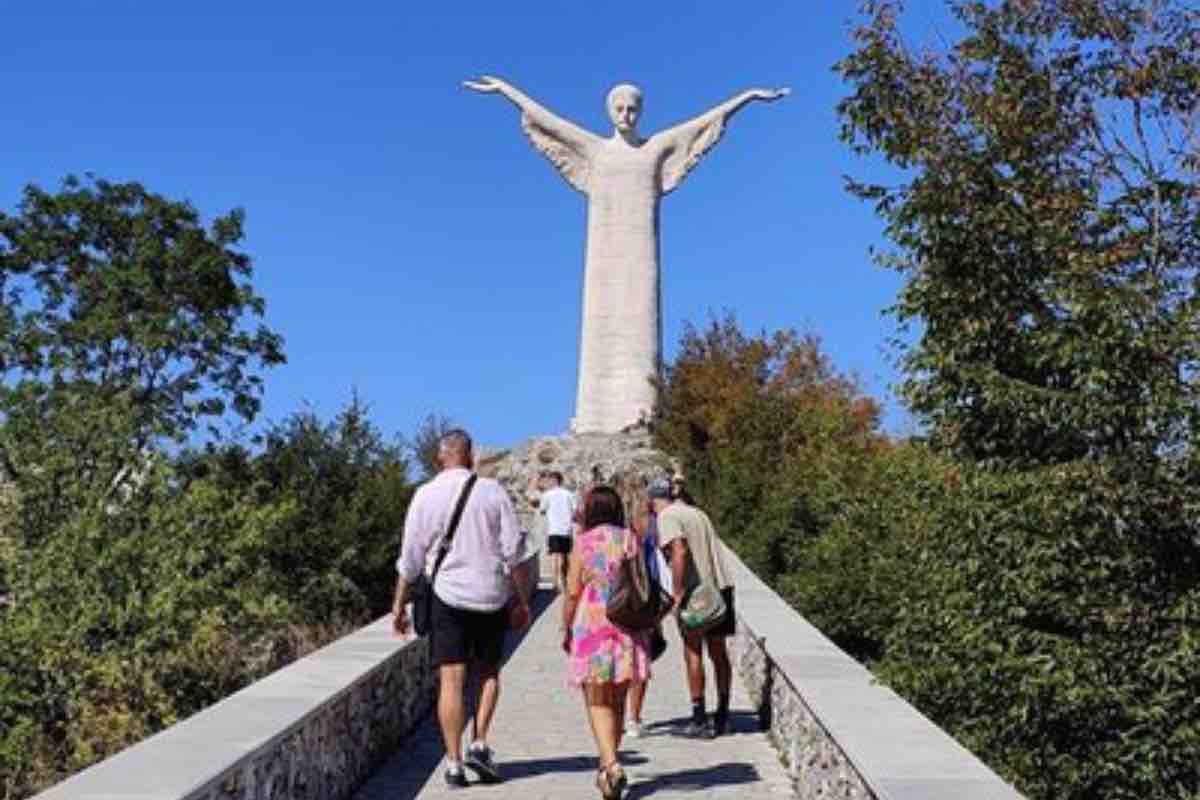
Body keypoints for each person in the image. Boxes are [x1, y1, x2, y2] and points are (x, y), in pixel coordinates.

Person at [392, 429, 532, 788]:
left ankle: (454, 763)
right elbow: (513, 551)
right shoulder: (493, 492)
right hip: (490, 594)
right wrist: (522, 599)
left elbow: (410, 557)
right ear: (471, 456)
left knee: (450, 681)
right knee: (487, 673)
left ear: (440, 457)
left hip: (447, 596)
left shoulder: (425, 495)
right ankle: (480, 742)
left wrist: (398, 605)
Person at [562, 485, 651, 800]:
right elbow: (642, 579)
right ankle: (607, 767)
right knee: (617, 698)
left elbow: (572, 590)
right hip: (627, 623)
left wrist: (566, 627)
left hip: (594, 624)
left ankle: (611, 765)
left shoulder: (583, 543)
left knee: (597, 699)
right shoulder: (630, 539)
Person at [649, 477, 735, 738]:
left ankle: (699, 718)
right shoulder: (697, 513)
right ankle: (722, 715)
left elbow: (679, 550)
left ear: (653, 500)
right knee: (719, 652)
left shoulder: (667, 517)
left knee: (693, 651)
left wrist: (676, 590)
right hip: (721, 586)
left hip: (696, 592)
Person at [539, 470, 577, 592]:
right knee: (565, 556)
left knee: (555, 556)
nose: (548, 482)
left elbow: (542, 510)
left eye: (550, 480)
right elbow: (575, 510)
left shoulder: (547, 495)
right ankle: (565, 582)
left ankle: (555, 583)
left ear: (554, 480)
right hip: (567, 529)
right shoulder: (569, 494)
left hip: (554, 529)